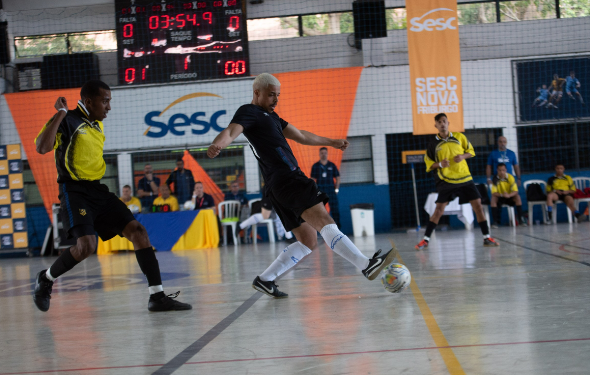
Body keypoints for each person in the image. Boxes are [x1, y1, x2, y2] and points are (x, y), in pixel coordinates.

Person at [207, 73, 401, 299]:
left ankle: (266, 279)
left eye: (278, 95)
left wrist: (331, 142)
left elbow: (300, 135)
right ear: (257, 93)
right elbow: (231, 132)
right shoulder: (249, 112)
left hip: (278, 186)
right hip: (288, 178)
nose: (276, 100)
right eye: (271, 95)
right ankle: (366, 265)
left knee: (308, 240)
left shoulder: (273, 117)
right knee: (325, 222)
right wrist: (216, 145)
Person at [33, 80, 191, 312]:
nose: (109, 107)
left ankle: (157, 297)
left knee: (138, 231)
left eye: (109, 101)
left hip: (98, 190)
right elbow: (41, 147)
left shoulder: (96, 124)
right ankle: (46, 278)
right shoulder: (68, 121)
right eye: (105, 101)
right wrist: (61, 113)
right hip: (74, 190)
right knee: (86, 246)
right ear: (88, 101)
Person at [416, 113, 499, 250]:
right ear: (435, 125)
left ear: (448, 123)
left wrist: (462, 156)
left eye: (444, 121)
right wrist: (441, 164)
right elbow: (429, 164)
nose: (442, 124)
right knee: (438, 210)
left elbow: (471, 152)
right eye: (439, 122)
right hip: (446, 180)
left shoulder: (460, 137)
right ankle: (425, 240)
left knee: (478, 206)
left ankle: (486, 237)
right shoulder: (433, 144)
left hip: (465, 178)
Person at [311, 147, 341, 227]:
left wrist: (337, 189)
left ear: (327, 154)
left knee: (335, 209)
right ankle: (322, 227)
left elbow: (337, 177)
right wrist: (314, 191)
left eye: (325, 153)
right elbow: (312, 179)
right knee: (319, 210)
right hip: (320, 190)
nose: (323, 154)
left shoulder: (332, 165)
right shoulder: (315, 166)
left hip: (331, 189)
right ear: (319, 154)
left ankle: (337, 227)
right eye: (322, 153)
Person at [490, 163, 526, 227]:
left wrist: (509, 195)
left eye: (503, 170)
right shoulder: (495, 179)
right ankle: (495, 222)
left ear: (506, 170)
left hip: (509, 197)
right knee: (493, 199)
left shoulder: (510, 177)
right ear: (497, 170)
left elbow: (515, 191)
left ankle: (520, 220)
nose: (502, 172)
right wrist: (502, 195)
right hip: (500, 197)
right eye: (500, 170)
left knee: (517, 197)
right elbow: (494, 192)